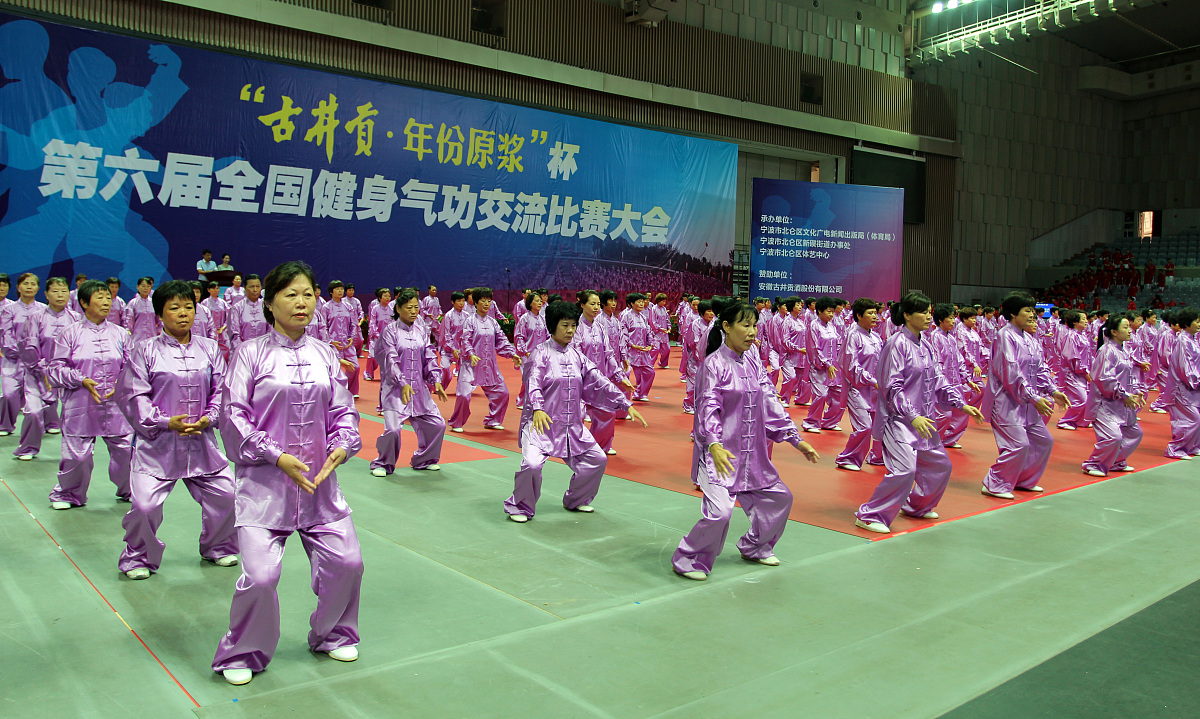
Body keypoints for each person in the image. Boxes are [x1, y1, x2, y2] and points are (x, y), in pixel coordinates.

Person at [212, 261, 363, 686]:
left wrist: (344, 442)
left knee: (348, 562)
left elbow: (343, 410)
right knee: (261, 577)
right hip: (265, 488)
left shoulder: (325, 354)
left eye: (308, 294)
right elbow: (233, 416)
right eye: (291, 294)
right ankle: (244, 650)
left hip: (319, 486)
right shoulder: (249, 354)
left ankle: (333, 633)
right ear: (270, 303)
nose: (302, 302)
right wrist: (275, 455)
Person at [672, 301, 819, 579]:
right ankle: (688, 558)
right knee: (719, 514)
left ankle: (755, 546)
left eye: (754, 326)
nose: (752, 332)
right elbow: (708, 408)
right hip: (721, 456)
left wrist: (795, 439)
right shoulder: (713, 365)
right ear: (727, 327)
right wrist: (714, 444)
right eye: (745, 325)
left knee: (780, 498)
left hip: (752, 455)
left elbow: (769, 400)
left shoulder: (753, 361)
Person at [115, 280, 238, 580]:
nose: (183, 313)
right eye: (174, 308)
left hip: (202, 444)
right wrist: (164, 421)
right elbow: (133, 395)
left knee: (228, 494)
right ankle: (138, 557)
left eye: (188, 307)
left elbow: (222, 390)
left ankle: (218, 546)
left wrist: (209, 417)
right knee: (144, 506)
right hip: (157, 446)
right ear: (159, 314)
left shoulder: (209, 348)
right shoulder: (144, 350)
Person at [504, 301, 646, 522]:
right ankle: (520, 507)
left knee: (597, 459)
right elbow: (533, 383)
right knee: (531, 465)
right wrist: (538, 408)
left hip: (572, 426)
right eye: (565, 325)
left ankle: (576, 499)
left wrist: (624, 403)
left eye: (573, 325)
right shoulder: (539, 354)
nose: (570, 330)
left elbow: (598, 379)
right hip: (541, 425)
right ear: (552, 326)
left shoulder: (576, 355)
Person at [854, 293, 984, 533]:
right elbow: (892, 387)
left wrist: (960, 404)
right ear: (906, 315)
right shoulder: (896, 344)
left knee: (940, 466)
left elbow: (938, 379)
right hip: (899, 420)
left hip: (924, 420)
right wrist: (912, 416)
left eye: (929, 311)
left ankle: (917, 506)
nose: (928, 316)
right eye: (923, 312)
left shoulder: (926, 344)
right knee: (905, 470)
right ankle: (871, 514)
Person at [46, 280, 134, 508]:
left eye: (108, 298)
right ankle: (68, 494)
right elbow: (55, 369)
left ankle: (130, 490)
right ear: (84, 303)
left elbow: (132, 367)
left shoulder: (120, 334)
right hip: (80, 404)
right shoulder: (69, 333)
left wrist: (121, 383)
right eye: (100, 297)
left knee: (125, 451)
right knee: (78, 456)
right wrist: (80, 379)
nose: (106, 302)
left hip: (116, 406)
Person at [980, 292, 1069, 500]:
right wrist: (1033, 398)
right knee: (1018, 445)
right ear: (1013, 313)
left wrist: (1053, 391)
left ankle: (1023, 480)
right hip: (1006, 402)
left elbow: (1040, 369)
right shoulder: (1004, 336)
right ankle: (995, 483)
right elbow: (1011, 372)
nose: (1032, 315)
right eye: (1027, 310)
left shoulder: (1029, 339)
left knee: (1043, 441)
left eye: (1032, 311)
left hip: (1028, 403)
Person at [370, 289, 448, 476]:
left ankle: (425, 459)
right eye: (409, 307)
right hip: (395, 391)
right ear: (398, 309)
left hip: (419, 391)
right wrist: (402, 382)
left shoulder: (422, 330)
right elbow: (390, 360)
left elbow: (429, 356)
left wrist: (436, 380)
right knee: (393, 430)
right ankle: (383, 463)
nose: (414, 311)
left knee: (437, 424)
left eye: (416, 307)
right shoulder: (390, 332)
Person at [13, 276, 76, 459]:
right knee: (33, 412)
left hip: (65, 376)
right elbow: (29, 348)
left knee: (74, 413)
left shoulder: (76, 318)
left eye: (63, 291)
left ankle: (78, 447)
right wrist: (44, 372)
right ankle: (28, 448)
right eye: (55, 291)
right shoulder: (36, 318)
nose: (60, 295)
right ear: (46, 294)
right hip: (37, 374)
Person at [571, 290, 635, 455]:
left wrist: (619, 376)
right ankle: (574, 447)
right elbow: (576, 354)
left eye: (598, 304)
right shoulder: (575, 327)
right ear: (582, 304)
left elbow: (608, 354)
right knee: (576, 415)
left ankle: (599, 446)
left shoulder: (599, 327)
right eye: (592, 304)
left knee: (607, 412)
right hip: (580, 378)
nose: (596, 307)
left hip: (600, 379)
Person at [1082, 315, 1144, 476]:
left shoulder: (1123, 350)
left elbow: (1128, 376)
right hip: (1105, 402)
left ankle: (1116, 461)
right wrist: (1124, 394)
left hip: (1122, 402)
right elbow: (1104, 379)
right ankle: (1094, 464)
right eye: (1125, 327)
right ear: (1114, 332)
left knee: (1134, 433)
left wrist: (1135, 391)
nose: (1130, 331)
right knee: (1113, 437)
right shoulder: (1107, 351)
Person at [449, 287, 517, 431]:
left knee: (503, 393)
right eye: (483, 300)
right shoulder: (469, 321)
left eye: (489, 301)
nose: (486, 304)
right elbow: (465, 340)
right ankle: (457, 423)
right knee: (463, 396)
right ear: (476, 302)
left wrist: (512, 353)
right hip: (470, 365)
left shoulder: (493, 322)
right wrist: (471, 354)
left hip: (489, 365)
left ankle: (493, 420)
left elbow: (502, 340)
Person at [835, 298, 884, 471]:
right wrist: (872, 381)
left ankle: (876, 457)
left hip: (875, 391)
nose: (875, 317)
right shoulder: (853, 335)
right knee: (864, 427)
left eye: (875, 313)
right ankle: (848, 458)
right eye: (870, 313)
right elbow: (851, 366)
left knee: (879, 427)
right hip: (857, 389)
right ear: (859, 315)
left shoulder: (876, 337)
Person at [0, 272, 46, 436]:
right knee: (8, 394)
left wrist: (36, 357)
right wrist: (22, 353)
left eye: (33, 284)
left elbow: (45, 337)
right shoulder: (9, 310)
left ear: (38, 288)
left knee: (38, 399)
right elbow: (6, 335)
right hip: (13, 361)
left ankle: (43, 426)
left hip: (36, 363)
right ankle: (5, 425)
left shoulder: (43, 310)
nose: (29, 287)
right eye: (25, 283)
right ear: (18, 287)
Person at [802, 297, 845, 433]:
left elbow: (839, 342)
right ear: (819, 311)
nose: (831, 314)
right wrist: (826, 363)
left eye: (832, 311)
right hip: (819, 368)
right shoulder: (814, 326)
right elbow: (814, 348)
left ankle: (830, 422)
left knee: (839, 395)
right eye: (828, 311)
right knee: (820, 395)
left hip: (834, 368)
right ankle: (811, 423)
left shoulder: (831, 326)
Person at [1165, 308, 1200, 459]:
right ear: (1187, 323)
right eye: (1196, 321)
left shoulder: (1193, 339)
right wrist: (1197, 380)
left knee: (1197, 418)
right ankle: (1175, 448)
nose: (1199, 324)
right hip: (1182, 387)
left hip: (1192, 388)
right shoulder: (1182, 341)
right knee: (1191, 419)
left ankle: (1192, 446)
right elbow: (1185, 368)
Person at [323, 280, 361, 398]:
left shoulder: (348, 306)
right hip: (334, 344)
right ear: (331, 292)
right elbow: (323, 327)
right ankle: (335, 393)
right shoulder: (326, 307)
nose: (340, 291)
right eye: (337, 289)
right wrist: (330, 341)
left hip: (347, 343)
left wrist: (351, 337)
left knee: (355, 367)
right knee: (335, 370)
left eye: (341, 288)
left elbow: (353, 324)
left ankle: (351, 391)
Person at [1056, 310, 1093, 430]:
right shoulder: (1071, 336)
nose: (1086, 321)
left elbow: (1088, 355)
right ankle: (1065, 421)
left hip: (1082, 372)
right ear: (1075, 322)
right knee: (1081, 399)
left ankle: (1081, 421)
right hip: (1072, 373)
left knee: (1087, 398)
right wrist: (1084, 371)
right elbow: (1072, 357)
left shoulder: (1082, 335)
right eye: (1083, 319)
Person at [513, 292, 549, 408]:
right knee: (528, 378)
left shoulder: (542, 319)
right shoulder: (524, 319)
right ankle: (523, 401)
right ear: (530, 303)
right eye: (537, 301)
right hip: (527, 354)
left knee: (539, 378)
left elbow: (547, 335)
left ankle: (534, 401)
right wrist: (525, 352)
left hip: (541, 354)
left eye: (540, 301)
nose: (540, 303)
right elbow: (519, 337)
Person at [620, 293, 656, 402]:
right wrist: (632, 345)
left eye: (642, 301)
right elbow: (623, 333)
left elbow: (648, 331)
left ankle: (640, 394)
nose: (641, 304)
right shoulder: (626, 316)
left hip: (642, 351)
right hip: (630, 351)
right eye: (639, 302)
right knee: (625, 373)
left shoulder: (643, 317)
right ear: (632, 303)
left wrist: (650, 344)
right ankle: (622, 398)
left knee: (650, 372)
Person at [682, 300, 714, 414]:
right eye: (709, 311)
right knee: (694, 383)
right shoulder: (695, 324)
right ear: (702, 312)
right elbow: (693, 343)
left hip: (710, 358)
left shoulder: (714, 323)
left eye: (713, 311)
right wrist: (701, 356)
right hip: (695, 359)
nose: (711, 314)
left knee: (707, 383)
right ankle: (688, 404)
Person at [227, 274, 268, 354]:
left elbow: (271, 330)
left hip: (264, 351)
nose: (255, 290)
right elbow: (234, 334)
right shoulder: (237, 307)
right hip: (243, 352)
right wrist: (242, 352)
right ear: (244, 288)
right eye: (251, 287)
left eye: (258, 286)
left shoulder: (266, 306)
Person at [123, 276, 160, 343]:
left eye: (148, 286)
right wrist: (128, 331)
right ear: (137, 287)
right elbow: (128, 320)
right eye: (143, 286)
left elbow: (160, 320)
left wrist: (159, 333)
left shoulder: (154, 303)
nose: (145, 288)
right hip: (137, 338)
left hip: (152, 338)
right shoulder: (133, 303)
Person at [651, 293, 673, 369]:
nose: (664, 303)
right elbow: (653, 321)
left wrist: (669, 327)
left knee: (667, 349)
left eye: (665, 301)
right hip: (656, 333)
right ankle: (650, 364)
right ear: (658, 300)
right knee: (656, 349)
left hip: (664, 333)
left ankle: (663, 363)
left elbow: (667, 319)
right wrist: (660, 328)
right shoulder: (654, 309)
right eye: (663, 301)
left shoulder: (664, 309)